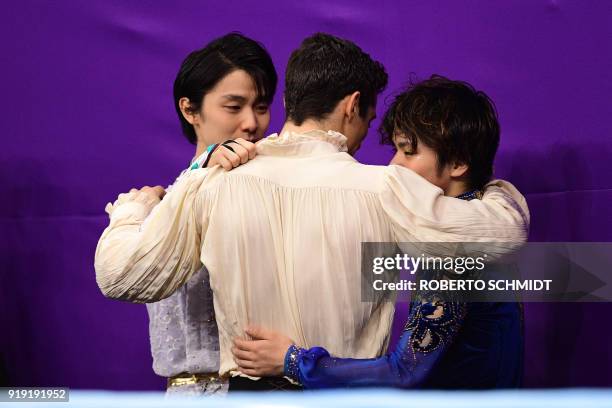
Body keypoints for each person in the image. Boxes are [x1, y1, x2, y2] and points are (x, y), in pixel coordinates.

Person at [94, 33, 529, 392]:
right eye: (368, 120)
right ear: (352, 106)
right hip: (345, 399)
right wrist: (499, 194)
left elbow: (120, 277)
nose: (367, 143)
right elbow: (498, 237)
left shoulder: (210, 181)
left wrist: (133, 210)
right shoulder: (386, 187)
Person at [231, 76, 524, 389]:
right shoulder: (486, 222)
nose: (393, 165)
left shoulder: (452, 251)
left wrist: (292, 360)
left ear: (458, 162)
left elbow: (405, 372)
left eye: (408, 152)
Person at [136, 32, 277, 396]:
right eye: (234, 106)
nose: (251, 123)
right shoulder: (160, 205)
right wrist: (200, 170)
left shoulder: (276, 195)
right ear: (189, 109)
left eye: (261, 106)